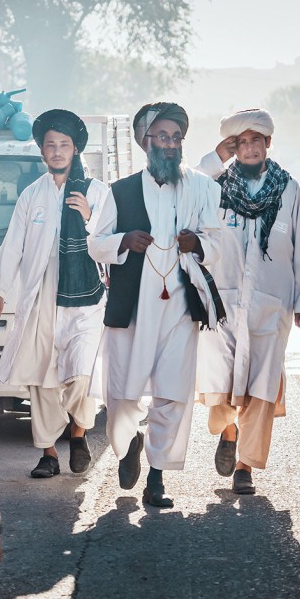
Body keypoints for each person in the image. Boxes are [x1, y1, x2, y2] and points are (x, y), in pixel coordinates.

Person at [88, 102, 223, 509]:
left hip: (179, 309)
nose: (170, 144)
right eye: (162, 136)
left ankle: (157, 477)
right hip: (132, 309)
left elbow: (218, 243)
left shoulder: (201, 188)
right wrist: (123, 241)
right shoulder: (120, 191)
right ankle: (129, 443)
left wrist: (197, 243)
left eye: (176, 137)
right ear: (145, 141)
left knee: (173, 394)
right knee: (121, 394)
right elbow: (95, 243)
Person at [194, 108, 300, 496]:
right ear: (234, 147)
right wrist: (217, 156)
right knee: (220, 375)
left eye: (255, 141)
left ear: (268, 144)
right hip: (224, 302)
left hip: (270, 304)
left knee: (263, 384)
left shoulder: (288, 188)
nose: (249, 148)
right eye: (241, 142)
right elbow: (189, 189)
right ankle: (229, 431)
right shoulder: (216, 185)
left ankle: (245, 465)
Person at [0, 109, 106, 479]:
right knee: (41, 377)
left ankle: (79, 433)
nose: (56, 151)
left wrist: (89, 217)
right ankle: (49, 454)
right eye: (50, 145)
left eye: (63, 144)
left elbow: (111, 241)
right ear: (42, 151)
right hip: (39, 296)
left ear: (75, 149)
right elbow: (13, 246)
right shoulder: (31, 195)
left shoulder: (96, 191)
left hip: (85, 297)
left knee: (82, 372)